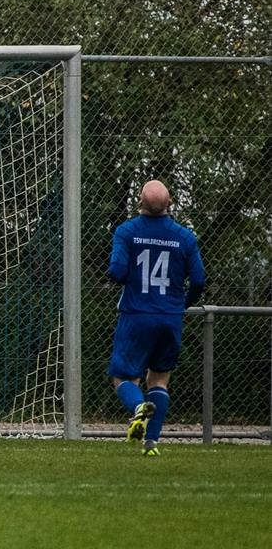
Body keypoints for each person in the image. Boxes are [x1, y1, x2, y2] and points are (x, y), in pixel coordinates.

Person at [106, 180, 206, 457]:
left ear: (139, 201)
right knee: (160, 380)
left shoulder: (127, 232)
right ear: (170, 202)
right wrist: (182, 304)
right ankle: (151, 443)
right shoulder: (185, 237)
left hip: (137, 314)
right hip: (170, 317)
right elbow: (198, 279)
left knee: (123, 376)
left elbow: (116, 271)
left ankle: (138, 407)